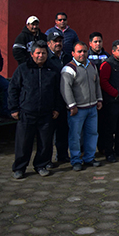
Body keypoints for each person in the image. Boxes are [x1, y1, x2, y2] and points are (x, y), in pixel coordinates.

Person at [8, 41, 60, 179]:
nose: (40, 56)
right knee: (23, 142)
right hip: (26, 112)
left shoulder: (52, 70)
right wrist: (14, 109)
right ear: (32, 54)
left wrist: (56, 108)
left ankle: (41, 165)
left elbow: (57, 92)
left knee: (45, 142)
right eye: (38, 53)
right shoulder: (23, 69)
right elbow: (13, 89)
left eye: (43, 53)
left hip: (46, 113)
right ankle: (19, 168)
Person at [60, 42, 103, 171]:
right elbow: (65, 89)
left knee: (92, 133)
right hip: (77, 110)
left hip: (92, 107)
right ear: (73, 53)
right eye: (79, 52)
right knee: (75, 136)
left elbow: (97, 84)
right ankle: (76, 160)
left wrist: (99, 99)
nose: (82, 54)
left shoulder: (92, 66)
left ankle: (89, 158)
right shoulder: (69, 69)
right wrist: (72, 105)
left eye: (84, 51)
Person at [46, 30, 71, 166]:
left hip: (65, 99)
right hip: (51, 99)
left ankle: (62, 155)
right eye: (55, 41)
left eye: (60, 41)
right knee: (49, 133)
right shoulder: (46, 59)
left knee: (63, 129)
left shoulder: (67, 57)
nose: (58, 44)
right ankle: (47, 159)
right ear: (49, 43)